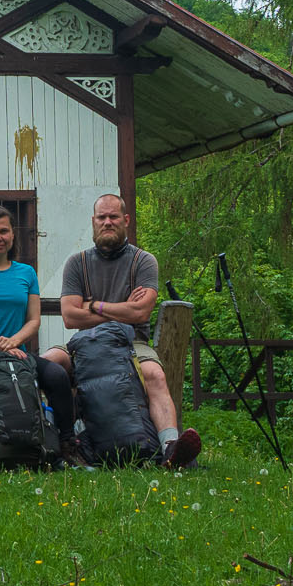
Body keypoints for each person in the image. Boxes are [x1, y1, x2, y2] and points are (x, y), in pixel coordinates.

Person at [40, 192, 201, 468]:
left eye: (113, 216)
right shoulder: (76, 263)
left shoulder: (144, 261)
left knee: (154, 373)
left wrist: (94, 305)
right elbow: (69, 316)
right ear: (93, 221)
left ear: (125, 220)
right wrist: (121, 308)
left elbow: (140, 313)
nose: (107, 222)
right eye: (101, 217)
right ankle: (49, 446)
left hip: (132, 344)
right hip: (82, 343)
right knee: (45, 365)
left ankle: (171, 449)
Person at [0, 204, 86, 469]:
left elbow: (33, 320)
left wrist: (13, 342)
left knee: (57, 376)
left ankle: (67, 448)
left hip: (18, 358)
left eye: (3, 231)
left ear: (13, 235)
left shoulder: (26, 273)